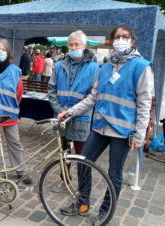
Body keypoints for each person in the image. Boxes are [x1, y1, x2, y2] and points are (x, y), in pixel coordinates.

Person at [58, 25, 154, 225]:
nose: (121, 40)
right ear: (111, 41)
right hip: (100, 126)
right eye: (117, 37)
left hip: (122, 131)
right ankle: (82, 203)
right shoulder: (105, 66)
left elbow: (145, 103)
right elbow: (94, 97)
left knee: (114, 174)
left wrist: (139, 134)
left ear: (132, 41)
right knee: (84, 163)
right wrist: (71, 112)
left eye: (125, 37)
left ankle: (105, 210)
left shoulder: (141, 66)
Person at [48, 30, 99, 192]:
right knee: (63, 152)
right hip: (61, 117)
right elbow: (52, 89)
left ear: (84, 46)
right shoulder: (59, 65)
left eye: (77, 44)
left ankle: (83, 187)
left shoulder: (94, 68)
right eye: (71, 44)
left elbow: (93, 95)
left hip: (82, 118)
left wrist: (73, 111)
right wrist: (58, 109)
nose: (74, 47)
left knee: (82, 156)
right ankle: (65, 179)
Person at [0, 39, 32, 185]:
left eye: (3, 50)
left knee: (15, 143)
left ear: (8, 53)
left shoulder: (15, 71)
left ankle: (21, 170)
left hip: (9, 115)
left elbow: (19, 93)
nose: (0, 52)